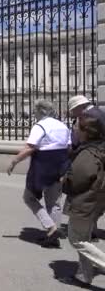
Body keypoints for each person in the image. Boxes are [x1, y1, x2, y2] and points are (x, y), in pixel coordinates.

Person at [8, 99, 70, 248]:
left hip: (43, 166)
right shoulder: (63, 125)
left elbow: (30, 147)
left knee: (28, 197)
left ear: (40, 111)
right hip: (60, 164)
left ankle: (51, 227)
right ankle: (52, 237)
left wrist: (14, 161)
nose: (34, 114)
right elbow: (69, 147)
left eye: (35, 111)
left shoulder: (40, 126)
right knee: (54, 202)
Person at [58, 115, 105, 287]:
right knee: (83, 236)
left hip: (84, 201)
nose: (74, 129)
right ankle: (84, 275)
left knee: (76, 239)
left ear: (86, 131)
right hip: (95, 199)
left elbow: (80, 177)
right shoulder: (99, 147)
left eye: (76, 126)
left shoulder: (87, 153)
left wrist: (65, 180)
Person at [69, 95, 105, 240]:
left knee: (87, 196)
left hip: (92, 156)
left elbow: (79, 140)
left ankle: (87, 230)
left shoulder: (90, 116)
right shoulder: (99, 112)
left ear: (80, 107)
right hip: (98, 156)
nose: (73, 115)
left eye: (73, 111)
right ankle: (91, 229)